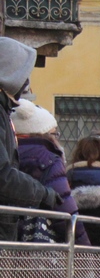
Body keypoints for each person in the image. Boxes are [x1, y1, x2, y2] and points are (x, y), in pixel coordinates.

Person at [0, 38, 58, 240]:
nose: (27, 84)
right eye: (25, 74)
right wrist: (43, 194)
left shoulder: (4, 111)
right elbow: (2, 176)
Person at [14, 100, 90, 245]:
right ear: (44, 134)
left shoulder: (6, 155)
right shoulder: (48, 159)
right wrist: (85, 251)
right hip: (37, 250)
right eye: (55, 133)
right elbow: (66, 212)